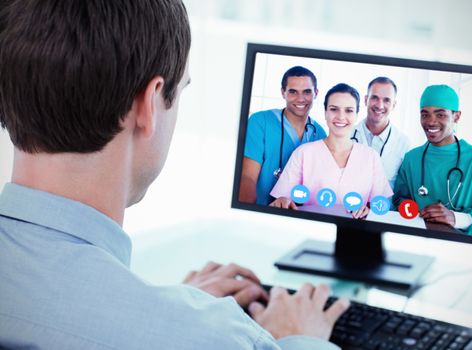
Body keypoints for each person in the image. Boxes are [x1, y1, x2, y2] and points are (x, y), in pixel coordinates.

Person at [0, 1, 349, 349]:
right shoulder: (216, 339)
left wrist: (165, 311)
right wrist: (295, 337)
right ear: (149, 104)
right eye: (181, 90)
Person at [269, 83, 392, 218]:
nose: (340, 116)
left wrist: (368, 210)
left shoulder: (371, 157)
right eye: (334, 109)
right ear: (325, 113)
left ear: (357, 115)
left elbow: (380, 207)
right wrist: (282, 201)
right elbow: (281, 200)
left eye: (349, 110)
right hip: (312, 228)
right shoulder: (304, 153)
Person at [393, 84, 472, 233]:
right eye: (425, 114)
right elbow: (399, 200)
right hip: (415, 239)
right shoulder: (411, 159)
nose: (431, 122)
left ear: (456, 116)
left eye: (440, 114)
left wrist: (456, 218)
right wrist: (414, 213)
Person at [239, 66, 327, 205]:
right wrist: (249, 211)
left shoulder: (319, 133)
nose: (300, 99)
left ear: (315, 93)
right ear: (283, 93)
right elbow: (247, 176)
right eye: (293, 92)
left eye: (307, 92)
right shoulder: (261, 121)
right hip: (261, 209)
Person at [350, 77, 410, 189]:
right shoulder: (347, 135)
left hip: (386, 206)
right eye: (375, 98)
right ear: (365, 100)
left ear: (394, 105)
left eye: (386, 100)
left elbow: (404, 190)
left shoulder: (404, 144)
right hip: (347, 205)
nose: (379, 105)